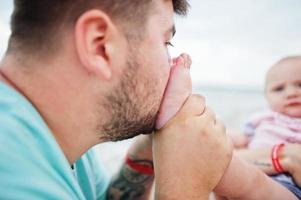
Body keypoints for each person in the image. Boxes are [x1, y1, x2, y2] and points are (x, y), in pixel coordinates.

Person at [0, 0, 233, 199]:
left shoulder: (55, 134)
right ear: (99, 46)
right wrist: (186, 186)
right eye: (165, 43)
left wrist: (146, 155)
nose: (173, 65)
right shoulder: (11, 170)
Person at [221, 56, 301, 199]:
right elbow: (242, 139)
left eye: (300, 85)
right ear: (267, 97)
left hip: (289, 185)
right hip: (257, 168)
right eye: (279, 89)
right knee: (225, 176)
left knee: (253, 184)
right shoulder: (263, 119)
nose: (291, 93)